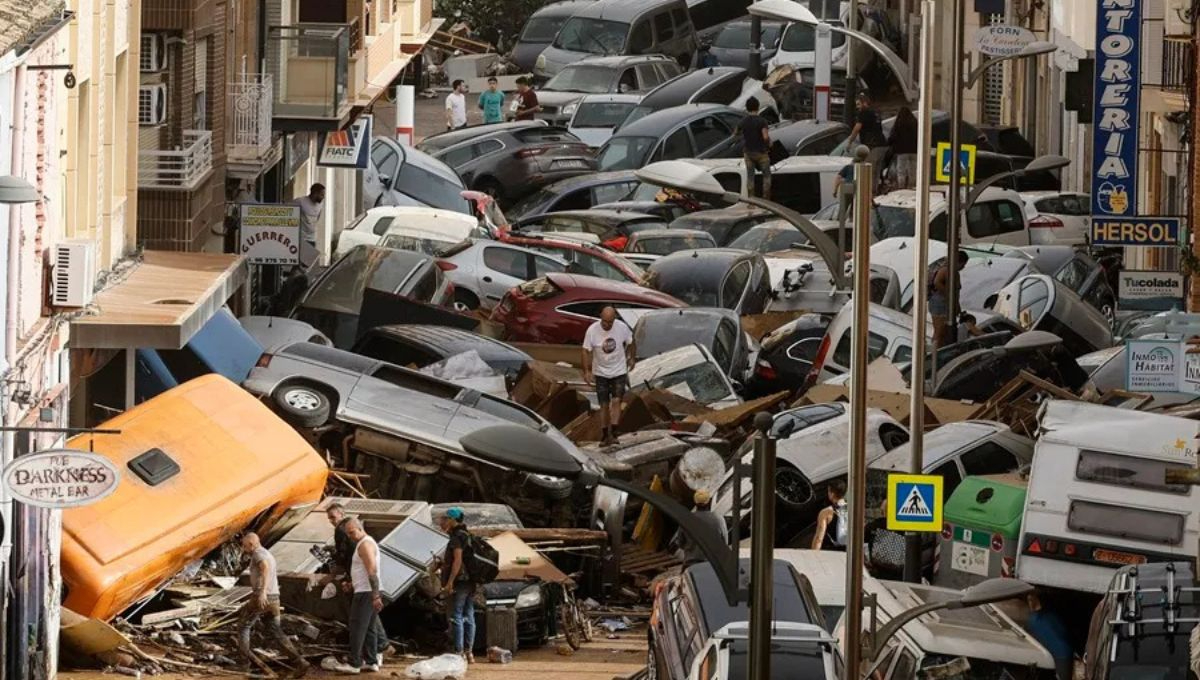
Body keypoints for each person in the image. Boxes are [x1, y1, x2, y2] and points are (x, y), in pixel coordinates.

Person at [237, 533, 309, 676]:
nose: (244, 549)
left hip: (262, 597)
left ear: (251, 544)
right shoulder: (267, 553)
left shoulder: (258, 554)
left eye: (245, 546)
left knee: (243, 626)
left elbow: (264, 568)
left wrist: (262, 592)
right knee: (275, 630)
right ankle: (299, 661)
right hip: (275, 597)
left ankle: (244, 665)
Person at [582, 306, 635, 446]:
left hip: (618, 370)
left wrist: (631, 357)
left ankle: (615, 431)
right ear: (601, 317)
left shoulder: (622, 328)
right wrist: (587, 371)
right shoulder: (592, 331)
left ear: (614, 320)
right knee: (604, 405)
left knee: (616, 401)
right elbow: (585, 351)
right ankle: (605, 434)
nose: (607, 325)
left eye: (610, 322)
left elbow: (631, 341)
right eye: (604, 322)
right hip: (601, 372)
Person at [344, 518, 387, 674]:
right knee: (369, 628)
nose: (350, 536)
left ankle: (354, 663)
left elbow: (372, 571)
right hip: (364, 590)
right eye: (348, 534)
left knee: (356, 626)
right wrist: (352, 584)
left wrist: (375, 596)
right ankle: (371, 661)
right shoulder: (363, 544)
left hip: (366, 592)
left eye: (352, 532)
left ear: (360, 528)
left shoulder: (365, 544)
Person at [438, 507, 477, 663]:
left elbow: (458, 561)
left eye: (446, 519)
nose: (443, 521)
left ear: (453, 520)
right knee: (469, 615)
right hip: (471, 581)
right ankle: (470, 653)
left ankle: (459, 652)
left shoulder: (456, 538)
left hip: (460, 582)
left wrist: (450, 582)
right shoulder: (468, 535)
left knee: (457, 616)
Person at [1025, 591, 1074, 680]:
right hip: (1066, 651)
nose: (1029, 603)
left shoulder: (1033, 620)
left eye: (1029, 600)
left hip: (1060, 654)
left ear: (1034, 601)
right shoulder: (1050, 613)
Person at [845, 93, 888, 189]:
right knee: (876, 171)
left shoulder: (864, 113)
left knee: (869, 170)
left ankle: (869, 192)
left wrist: (849, 142)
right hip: (882, 144)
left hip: (872, 145)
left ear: (864, 103)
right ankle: (874, 190)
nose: (857, 107)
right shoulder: (876, 112)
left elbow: (857, 128)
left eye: (858, 104)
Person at [676, 490, 728, 564]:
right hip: (713, 564)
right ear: (709, 502)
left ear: (695, 502)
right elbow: (724, 543)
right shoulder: (719, 519)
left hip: (691, 563)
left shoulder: (686, 519)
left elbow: (680, 543)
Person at [930, 252, 968, 348]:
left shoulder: (954, 272)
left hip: (944, 303)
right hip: (941, 304)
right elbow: (937, 282)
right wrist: (949, 295)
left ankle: (938, 349)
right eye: (962, 264)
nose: (963, 267)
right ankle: (934, 352)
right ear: (958, 262)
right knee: (939, 331)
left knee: (943, 332)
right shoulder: (946, 270)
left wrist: (957, 305)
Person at [737, 97, 772, 200]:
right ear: (757, 107)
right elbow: (765, 137)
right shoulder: (762, 121)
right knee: (766, 176)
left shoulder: (743, 121)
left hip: (748, 153)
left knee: (750, 176)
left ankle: (751, 199)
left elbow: (736, 133)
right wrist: (769, 143)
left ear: (747, 108)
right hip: (761, 153)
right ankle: (766, 198)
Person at [886, 106, 919, 190]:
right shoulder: (915, 122)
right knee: (913, 169)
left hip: (902, 151)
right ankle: (912, 185)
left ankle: (901, 186)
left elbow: (893, 135)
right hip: (914, 150)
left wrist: (890, 143)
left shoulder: (899, 122)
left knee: (901, 169)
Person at [811, 480, 848, 551]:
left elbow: (819, 538)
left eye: (828, 491)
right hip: (850, 553)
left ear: (832, 494)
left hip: (833, 553)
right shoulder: (854, 509)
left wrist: (813, 555)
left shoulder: (826, 512)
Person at [294, 183, 325, 268]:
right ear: (315, 193)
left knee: (308, 265)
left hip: (311, 238)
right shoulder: (300, 202)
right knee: (298, 263)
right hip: (300, 238)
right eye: (322, 194)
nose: (323, 197)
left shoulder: (320, 204)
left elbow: (317, 218)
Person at [327, 503, 355, 574]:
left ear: (341, 515)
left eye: (333, 517)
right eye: (329, 518)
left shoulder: (339, 529)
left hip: (351, 566)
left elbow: (342, 553)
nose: (331, 521)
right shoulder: (351, 523)